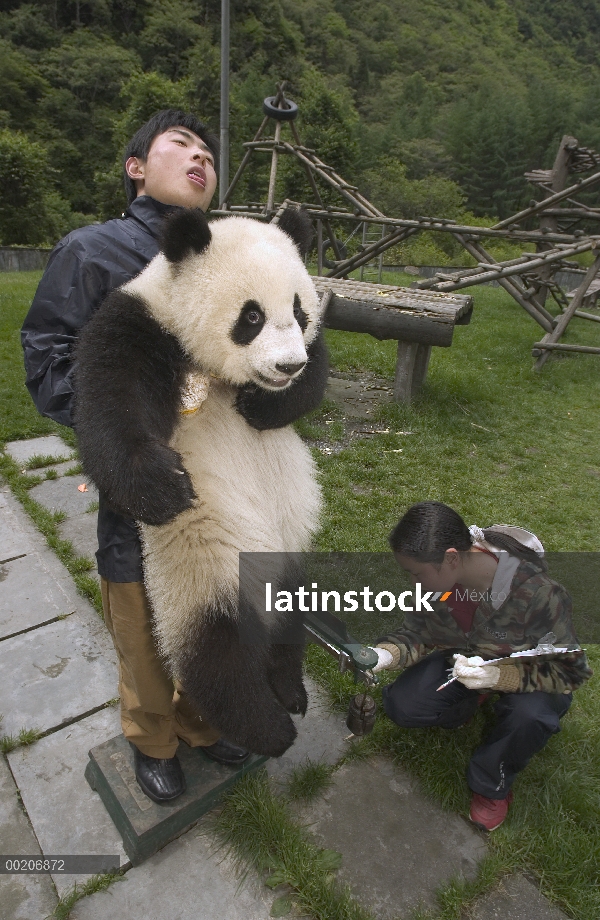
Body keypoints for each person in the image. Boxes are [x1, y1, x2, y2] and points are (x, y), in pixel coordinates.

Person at [21, 110, 250, 803]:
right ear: (136, 167)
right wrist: (126, 431)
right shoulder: (92, 252)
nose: (200, 157)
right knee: (142, 616)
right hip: (139, 483)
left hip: (221, 484)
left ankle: (202, 723)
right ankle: (153, 737)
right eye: (181, 144)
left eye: (208, 151)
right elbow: (49, 359)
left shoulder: (227, 261)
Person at [369, 501, 592, 831]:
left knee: (529, 717)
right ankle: (472, 699)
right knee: (403, 705)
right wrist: (383, 655)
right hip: (470, 656)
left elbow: (571, 670)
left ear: (451, 558)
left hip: (535, 672)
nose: (414, 580)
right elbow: (421, 631)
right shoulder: (439, 583)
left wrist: (498, 676)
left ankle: (492, 785)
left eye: (417, 572)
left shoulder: (538, 593)